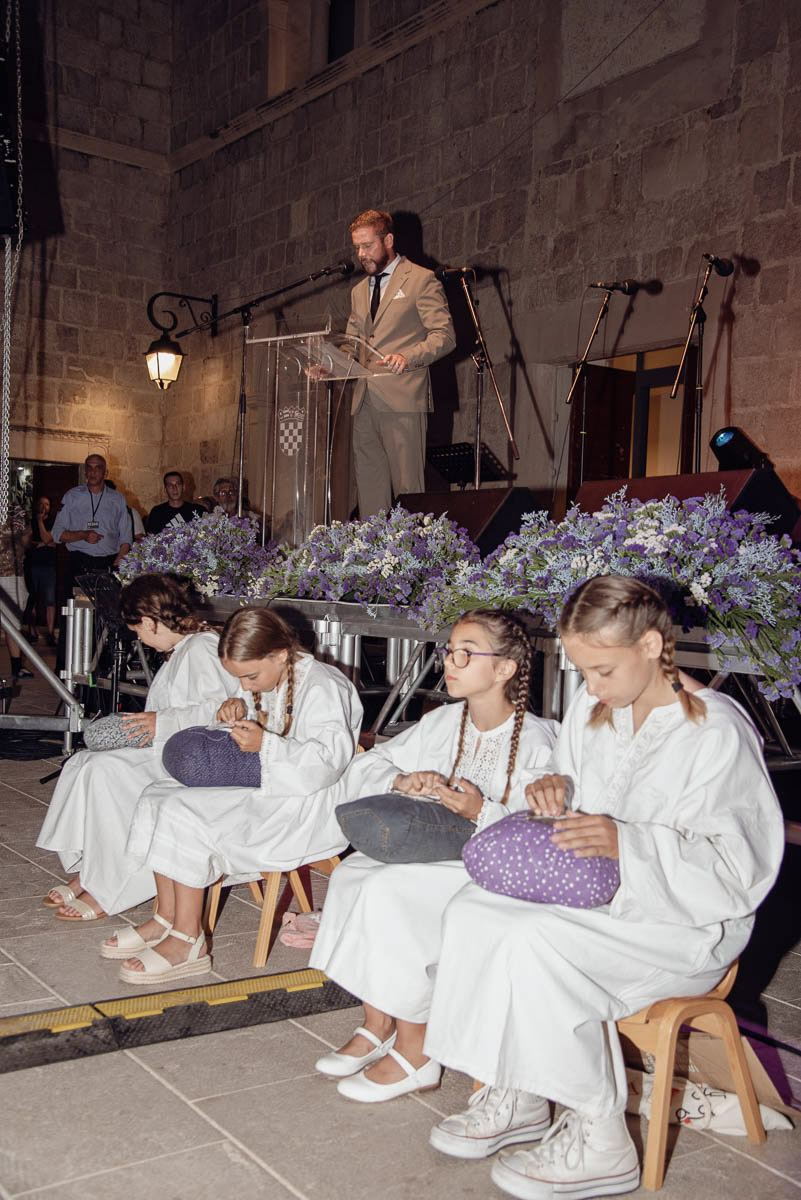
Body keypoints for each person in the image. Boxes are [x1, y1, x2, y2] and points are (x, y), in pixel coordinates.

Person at [421, 577, 784, 1200]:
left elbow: (738, 872)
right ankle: (518, 1092)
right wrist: (554, 789)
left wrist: (627, 843)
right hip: (598, 899)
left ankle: (601, 1138)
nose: (590, 688)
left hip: (683, 925)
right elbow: (575, 792)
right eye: (582, 671)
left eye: (603, 670)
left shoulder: (715, 732)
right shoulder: (596, 714)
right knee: (472, 910)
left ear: (651, 645)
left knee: (535, 940)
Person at [309, 609, 559, 1101]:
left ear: (505, 668)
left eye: (466, 653)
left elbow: (544, 828)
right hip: (437, 851)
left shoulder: (537, 738)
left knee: (388, 888)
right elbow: (370, 765)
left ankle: (418, 1050)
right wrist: (403, 780)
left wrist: (480, 810)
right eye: (449, 651)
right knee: (353, 874)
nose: (450, 661)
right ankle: (378, 1021)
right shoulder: (444, 720)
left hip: (492, 866)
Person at [113, 606, 363, 984]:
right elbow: (258, 717)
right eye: (238, 679)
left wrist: (266, 744)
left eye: (249, 677)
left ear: (280, 654)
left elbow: (327, 763)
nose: (244, 686)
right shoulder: (268, 674)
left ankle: (188, 941)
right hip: (269, 785)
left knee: (183, 809)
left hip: (304, 804)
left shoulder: (324, 685)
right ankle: (166, 917)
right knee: (157, 795)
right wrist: (235, 711)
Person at [36, 574, 239, 921]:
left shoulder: (201, 648)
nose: (140, 639)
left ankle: (110, 884)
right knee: (83, 763)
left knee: (103, 771)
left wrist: (161, 721)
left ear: (149, 621)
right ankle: (92, 867)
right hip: (172, 745)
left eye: (138, 631)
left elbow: (224, 710)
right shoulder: (183, 650)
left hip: (196, 756)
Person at [346, 209, 455, 517]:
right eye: (357, 247)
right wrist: (330, 364)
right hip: (364, 401)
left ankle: (412, 547)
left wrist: (408, 358)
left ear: (389, 240)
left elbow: (445, 336)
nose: (361, 254)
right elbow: (352, 343)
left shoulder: (421, 279)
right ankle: (372, 547)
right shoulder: (358, 292)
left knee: (409, 493)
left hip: (403, 398)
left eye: (368, 245)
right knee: (370, 493)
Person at [51, 454, 132, 589]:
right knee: (75, 602)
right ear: (85, 472)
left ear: (105, 472)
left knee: (109, 603)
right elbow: (56, 534)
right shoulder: (72, 496)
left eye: (98, 468)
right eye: (89, 468)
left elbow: (126, 538)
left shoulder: (118, 499)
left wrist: (118, 563)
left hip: (108, 564)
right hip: (78, 563)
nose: (93, 472)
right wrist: (83, 535)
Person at [0, 503, 33, 678]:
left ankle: (16, 667)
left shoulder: (15, 509)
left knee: (13, 624)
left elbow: (26, 541)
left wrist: (18, 530)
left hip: (12, 574)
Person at [26, 496, 57, 646]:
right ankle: (32, 632)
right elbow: (27, 543)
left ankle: (50, 633)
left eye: (47, 504)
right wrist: (45, 543)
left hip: (49, 566)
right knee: (31, 600)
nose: (44, 506)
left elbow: (49, 540)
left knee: (50, 601)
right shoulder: (29, 522)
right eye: (41, 503)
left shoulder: (53, 522)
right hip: (32, 565)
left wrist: (40, 523)